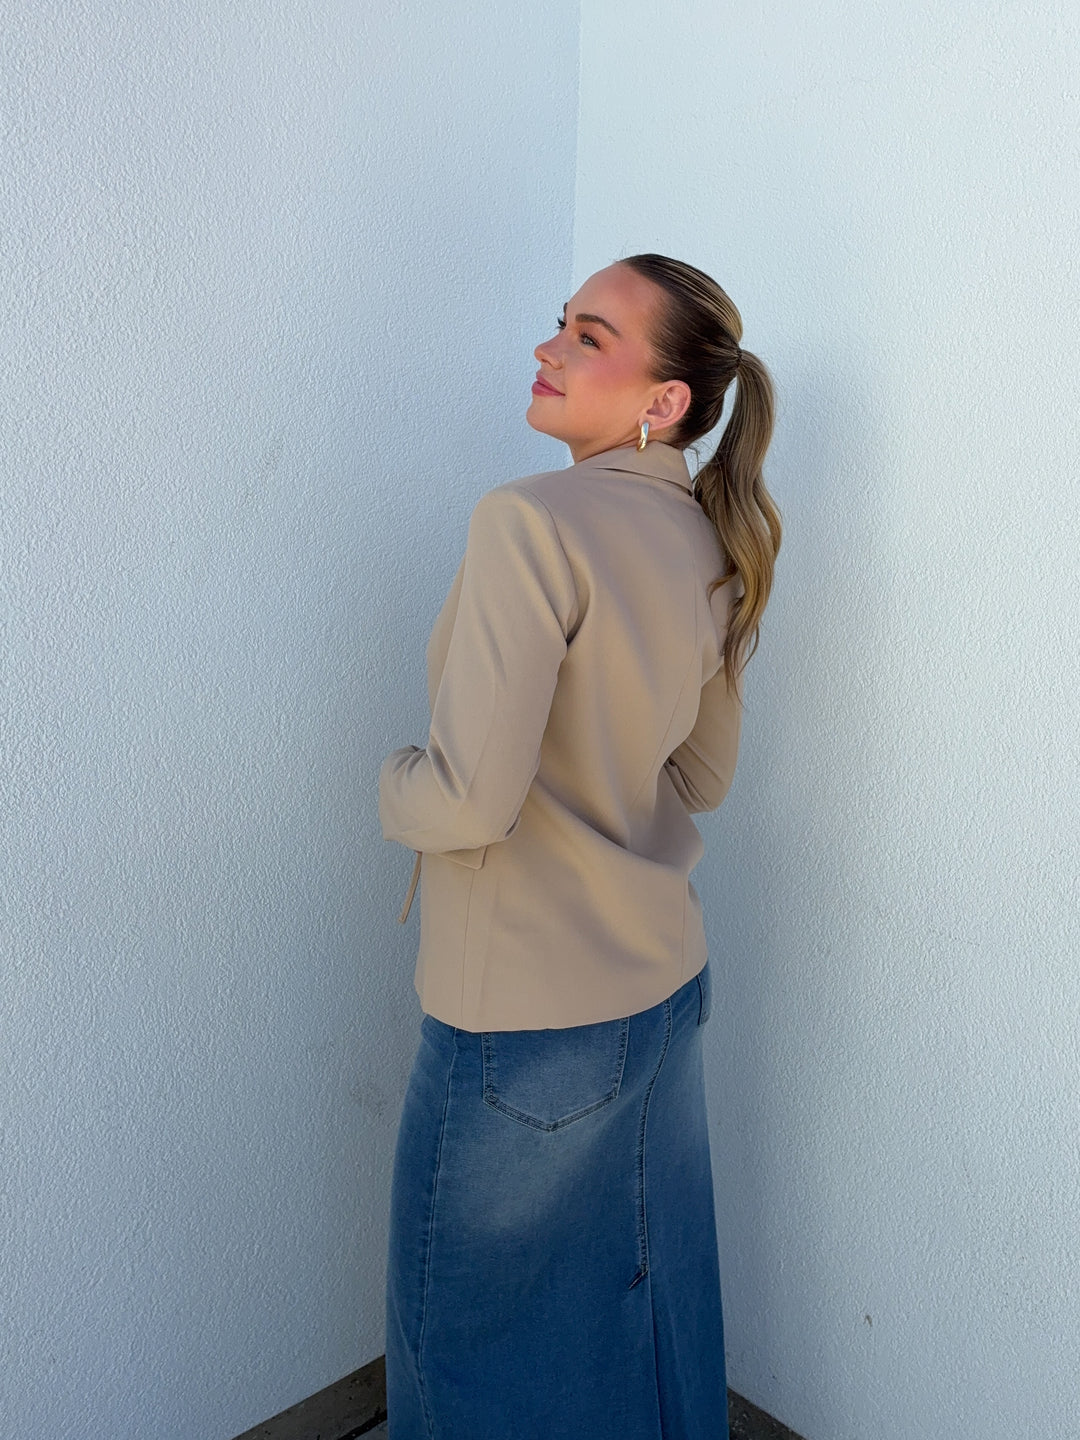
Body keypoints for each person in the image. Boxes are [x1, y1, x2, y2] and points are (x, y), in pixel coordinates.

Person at [378, 253, 781, 1440]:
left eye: (590, 336)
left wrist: (390, 781)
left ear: (665, 402)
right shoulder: (714, 536)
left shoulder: (528, 521)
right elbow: (702, 776)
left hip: (522, 1029)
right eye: (559, 324)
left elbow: (462, 805)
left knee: (468, 1357)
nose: (549, 349)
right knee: (649, 1318)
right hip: (660, 993)